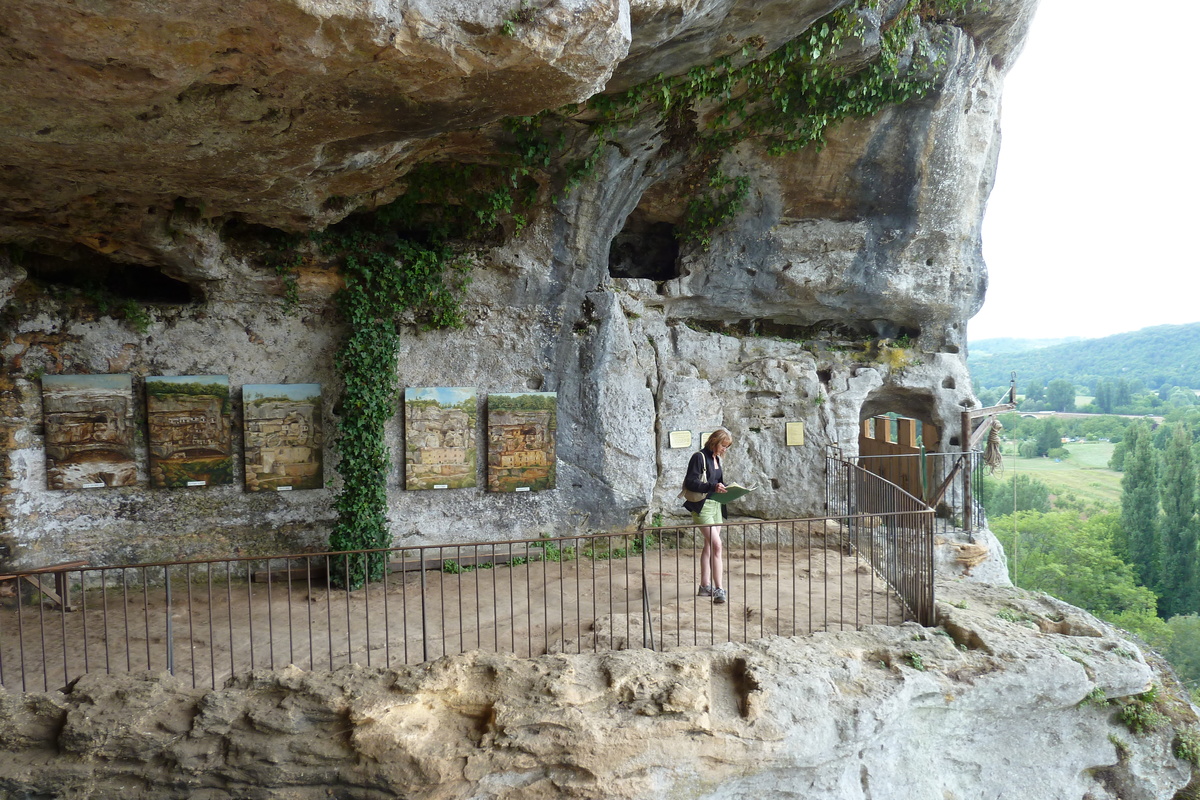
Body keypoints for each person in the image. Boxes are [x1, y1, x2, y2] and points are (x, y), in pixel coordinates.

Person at [682, 429, 731, 604]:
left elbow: (717, 481)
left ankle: (704, 586)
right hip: (703, 507)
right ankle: (719, 589)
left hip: (716, 505)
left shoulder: (716, 458)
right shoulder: (699, 457)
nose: (725, 449)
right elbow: (691, 481)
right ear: (714, 442)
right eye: (723, 446)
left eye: (727, 447)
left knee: (710, 546)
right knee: (717, 545)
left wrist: (728, 488)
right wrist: (712, 487)